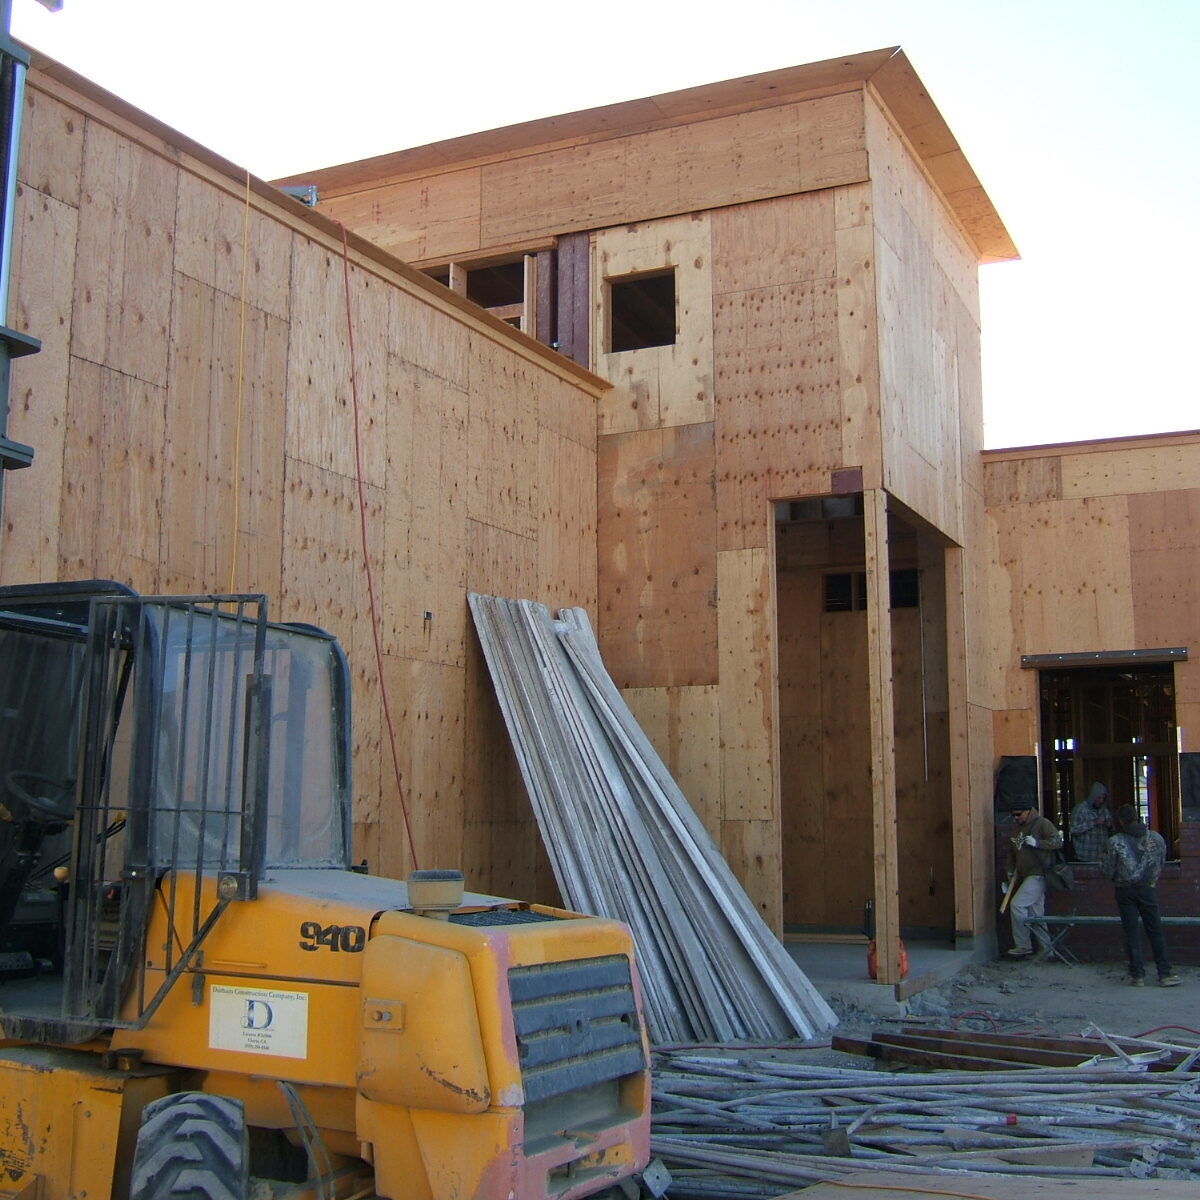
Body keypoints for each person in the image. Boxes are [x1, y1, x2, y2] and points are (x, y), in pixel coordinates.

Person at [1100, 804, 1181, 987]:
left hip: (1124, 890)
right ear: (1137, 816)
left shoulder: (1115, 841)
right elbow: (1161, 861)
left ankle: (1137, 975)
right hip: (1148, 888)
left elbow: (1106, 870)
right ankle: (1165, 973)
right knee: (1155, 930)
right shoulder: (1156, 838)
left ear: (1120, 820)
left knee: (1131, 932)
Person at [1003, 804, 1063, 959]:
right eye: (1013, 815)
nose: (1015, 818)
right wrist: (1010, 871)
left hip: (1039, 874)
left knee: (1017, 905)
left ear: (1027, 812)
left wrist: (1038, 843)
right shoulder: (1018, 828)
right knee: (1037, 914)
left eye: (1018, 814)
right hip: (1026, 875)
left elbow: (1058, 841)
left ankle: (1023, 945)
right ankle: (1047, 950)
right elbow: (1012, 852)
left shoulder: (1042, 823)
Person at [1069, 781, 1113, 861]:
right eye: (1099, 798)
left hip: (1102, 857)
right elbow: (1073, 830)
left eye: (1103, 798)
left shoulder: (1104, 810)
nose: (1101, 801)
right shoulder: (1080, 809)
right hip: (1084, 856)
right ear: (1093, 796)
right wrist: (1094, 823)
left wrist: (1109, 825)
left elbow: (1112, 830)